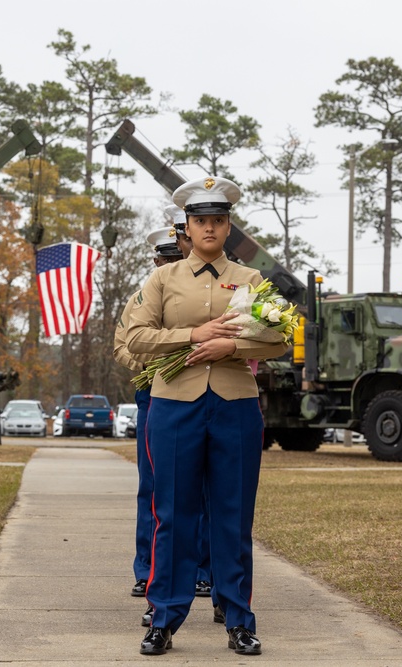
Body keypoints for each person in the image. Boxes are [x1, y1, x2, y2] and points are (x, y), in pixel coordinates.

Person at [126, 177, 290, 656]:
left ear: (228, 226)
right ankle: (164, 617)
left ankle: (238, 618)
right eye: (201, 221)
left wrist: (232, 345)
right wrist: (193, 336)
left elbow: (280, 339)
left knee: (232, 515)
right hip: (174, 406)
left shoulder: (252, 280)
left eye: (219, 220)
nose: (210, 228)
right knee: (173, 514)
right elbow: (136, 338)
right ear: (188, 228)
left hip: (236, 406)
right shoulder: (162, 279)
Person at [116, 225, 220, 628]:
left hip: (208, 390)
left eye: (175, 256)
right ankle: (149, 573)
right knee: (156, 489)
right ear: (157, 261)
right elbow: (124, 343)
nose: (170, 264)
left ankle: (204, 574)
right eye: (165, 259)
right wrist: (148, 364)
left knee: (210, 493)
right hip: (157, 392)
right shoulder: (145, 294)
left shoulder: (210, 287)